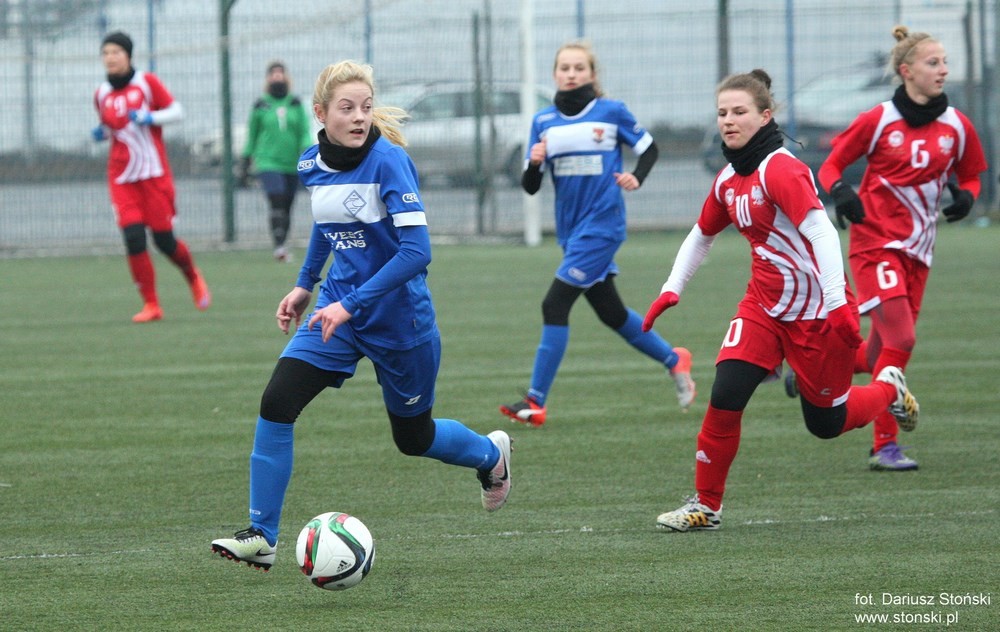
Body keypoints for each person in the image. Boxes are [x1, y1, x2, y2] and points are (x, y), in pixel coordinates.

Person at [211, 61, 512, 570]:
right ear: (321, 113)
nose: (358, 117)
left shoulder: (389, 162)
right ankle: (262, 536)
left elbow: (417, 252)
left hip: (399, 320)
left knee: (413, 438)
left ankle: (490, 455)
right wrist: (305, 284)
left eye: (366, 107)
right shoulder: (311, 163)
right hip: (336, 310)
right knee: (277, 401)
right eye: (347, 108)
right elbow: (327, 222)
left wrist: (350, 304)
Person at [643, 69, 919, 533]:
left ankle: (889, 387)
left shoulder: (782, 169)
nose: (728, 121)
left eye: (739, 112)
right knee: (725, 394)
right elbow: (702, 234)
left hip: (817, 312)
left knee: (825, 424)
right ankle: (706, 506)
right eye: (722, 113)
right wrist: (671, 288)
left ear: (765, 116)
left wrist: (837, 303)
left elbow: (821, 231)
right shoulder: (728, 178)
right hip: (764, 307)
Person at [791, 26, 987, 471]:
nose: (944, 70)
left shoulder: (957, 125)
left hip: (920, 250)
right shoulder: (878, 120)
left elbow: (972, 175)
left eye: (945, 62)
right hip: (875, 244)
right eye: (933, 63)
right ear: (906, 71)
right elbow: (831, 166)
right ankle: (884, 445)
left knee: (880, 353)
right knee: (902, 338)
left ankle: (810, 373)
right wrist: (841, 191)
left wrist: (967, 197)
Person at [499, 40, 694, 427]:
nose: (571, 74)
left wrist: (636, 177)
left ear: (592, 74)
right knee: (611, 313)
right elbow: (530, 187)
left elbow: (649, 149)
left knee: (554, 305)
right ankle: (674, 359)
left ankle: (535, 401)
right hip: (572, 233)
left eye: (579, 68)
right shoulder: (543, 121)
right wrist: (534, 164)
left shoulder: (611, 111)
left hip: (603, 227)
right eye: (564, 68)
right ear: (555, 74)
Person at [92, 31, 211, 323]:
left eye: (116, 52)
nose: (110, 58)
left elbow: (177, 111)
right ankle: (151, 304)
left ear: (128, 55)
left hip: (153, 175)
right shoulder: (101, 93)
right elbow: (112, 127)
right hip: (122, 177)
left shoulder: (146, 82)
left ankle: (192, 275)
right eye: (106, 53)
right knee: (133, 238)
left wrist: (150, 117)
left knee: (164, 240)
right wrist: (102, 133)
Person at [238, 60, 313, 262]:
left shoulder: (295, 103)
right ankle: (278, 246)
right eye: (273, 73)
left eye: (280, 73)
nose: (277, 77)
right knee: (277, 199)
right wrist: (245, 162)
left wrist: (308, 152)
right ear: (268, 78)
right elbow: (252, 136)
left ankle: (283, 243)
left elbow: (304, 132)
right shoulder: (261, 105)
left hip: (292, 163)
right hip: (268, 162)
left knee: (287, 204)